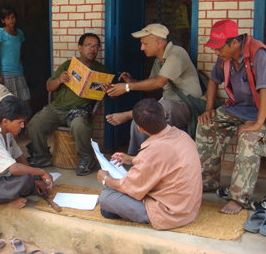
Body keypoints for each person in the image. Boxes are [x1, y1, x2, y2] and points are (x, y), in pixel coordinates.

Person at [196, 20, 266, 214]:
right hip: (239, 108)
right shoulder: (225, 58)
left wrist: (257, 123)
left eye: (219, 48)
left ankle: (239, 198)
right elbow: (214, 80)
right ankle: (207, 181)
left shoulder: (259, 53)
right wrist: (208, 108)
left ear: (235, 43)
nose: (217, 53)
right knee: (207, 125)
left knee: (248, 139)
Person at [97, 98, 202, 230]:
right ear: (164, 114)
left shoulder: (153, 151)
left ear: (139, 128)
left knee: (107, 197)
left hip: (170, 214)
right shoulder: (183, 136)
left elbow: (129, 187)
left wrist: (105, 179)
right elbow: (163, 162)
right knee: (116, 192)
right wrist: (132, 159)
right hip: (188, 207)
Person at [105, 23, 202, 155]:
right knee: (139, 123)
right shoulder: (159, 60)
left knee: (154, 111)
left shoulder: (177, 54)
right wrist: (132, 81)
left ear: (158, 43)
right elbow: (152, 85)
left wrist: (127, 87)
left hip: (187, 105)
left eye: (145, 44)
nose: (141, 48)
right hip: (168, 103)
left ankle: (129, 114)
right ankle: (137, 161)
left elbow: (159, 82)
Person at [27, 33, 110, 176]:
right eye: (88, 45)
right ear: (80, 47)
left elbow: (107, 93)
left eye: (96, 46)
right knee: (35, 124)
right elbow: (49, 87)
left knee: (80, 126)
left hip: (79, 111)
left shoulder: (102, 70)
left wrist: (106, 90)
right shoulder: (68, 65)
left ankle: (86, 159)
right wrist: (60, 79)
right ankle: (42, 157)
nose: (93, 49)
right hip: (57, 109)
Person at [0, 95, 53, 208]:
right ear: (5, 121)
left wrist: (35, 179)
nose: (23, 126)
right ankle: (6, 204)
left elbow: (20, 158)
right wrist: (41, 172)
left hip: (2, 180)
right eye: (20, 122)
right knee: (25, 179)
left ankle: (20, 191)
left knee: (29, 178)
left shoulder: (7, 132)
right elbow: (14, 168)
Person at [0, 7, 31, 107]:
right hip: (6, 73)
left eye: (13, 17)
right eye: (8, 18)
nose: (11, 20)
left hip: (18, 71)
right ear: (3, 20)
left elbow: (21, 51)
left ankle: (24, 123)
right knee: (11, 104)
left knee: (26, 101)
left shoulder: (19, 33)